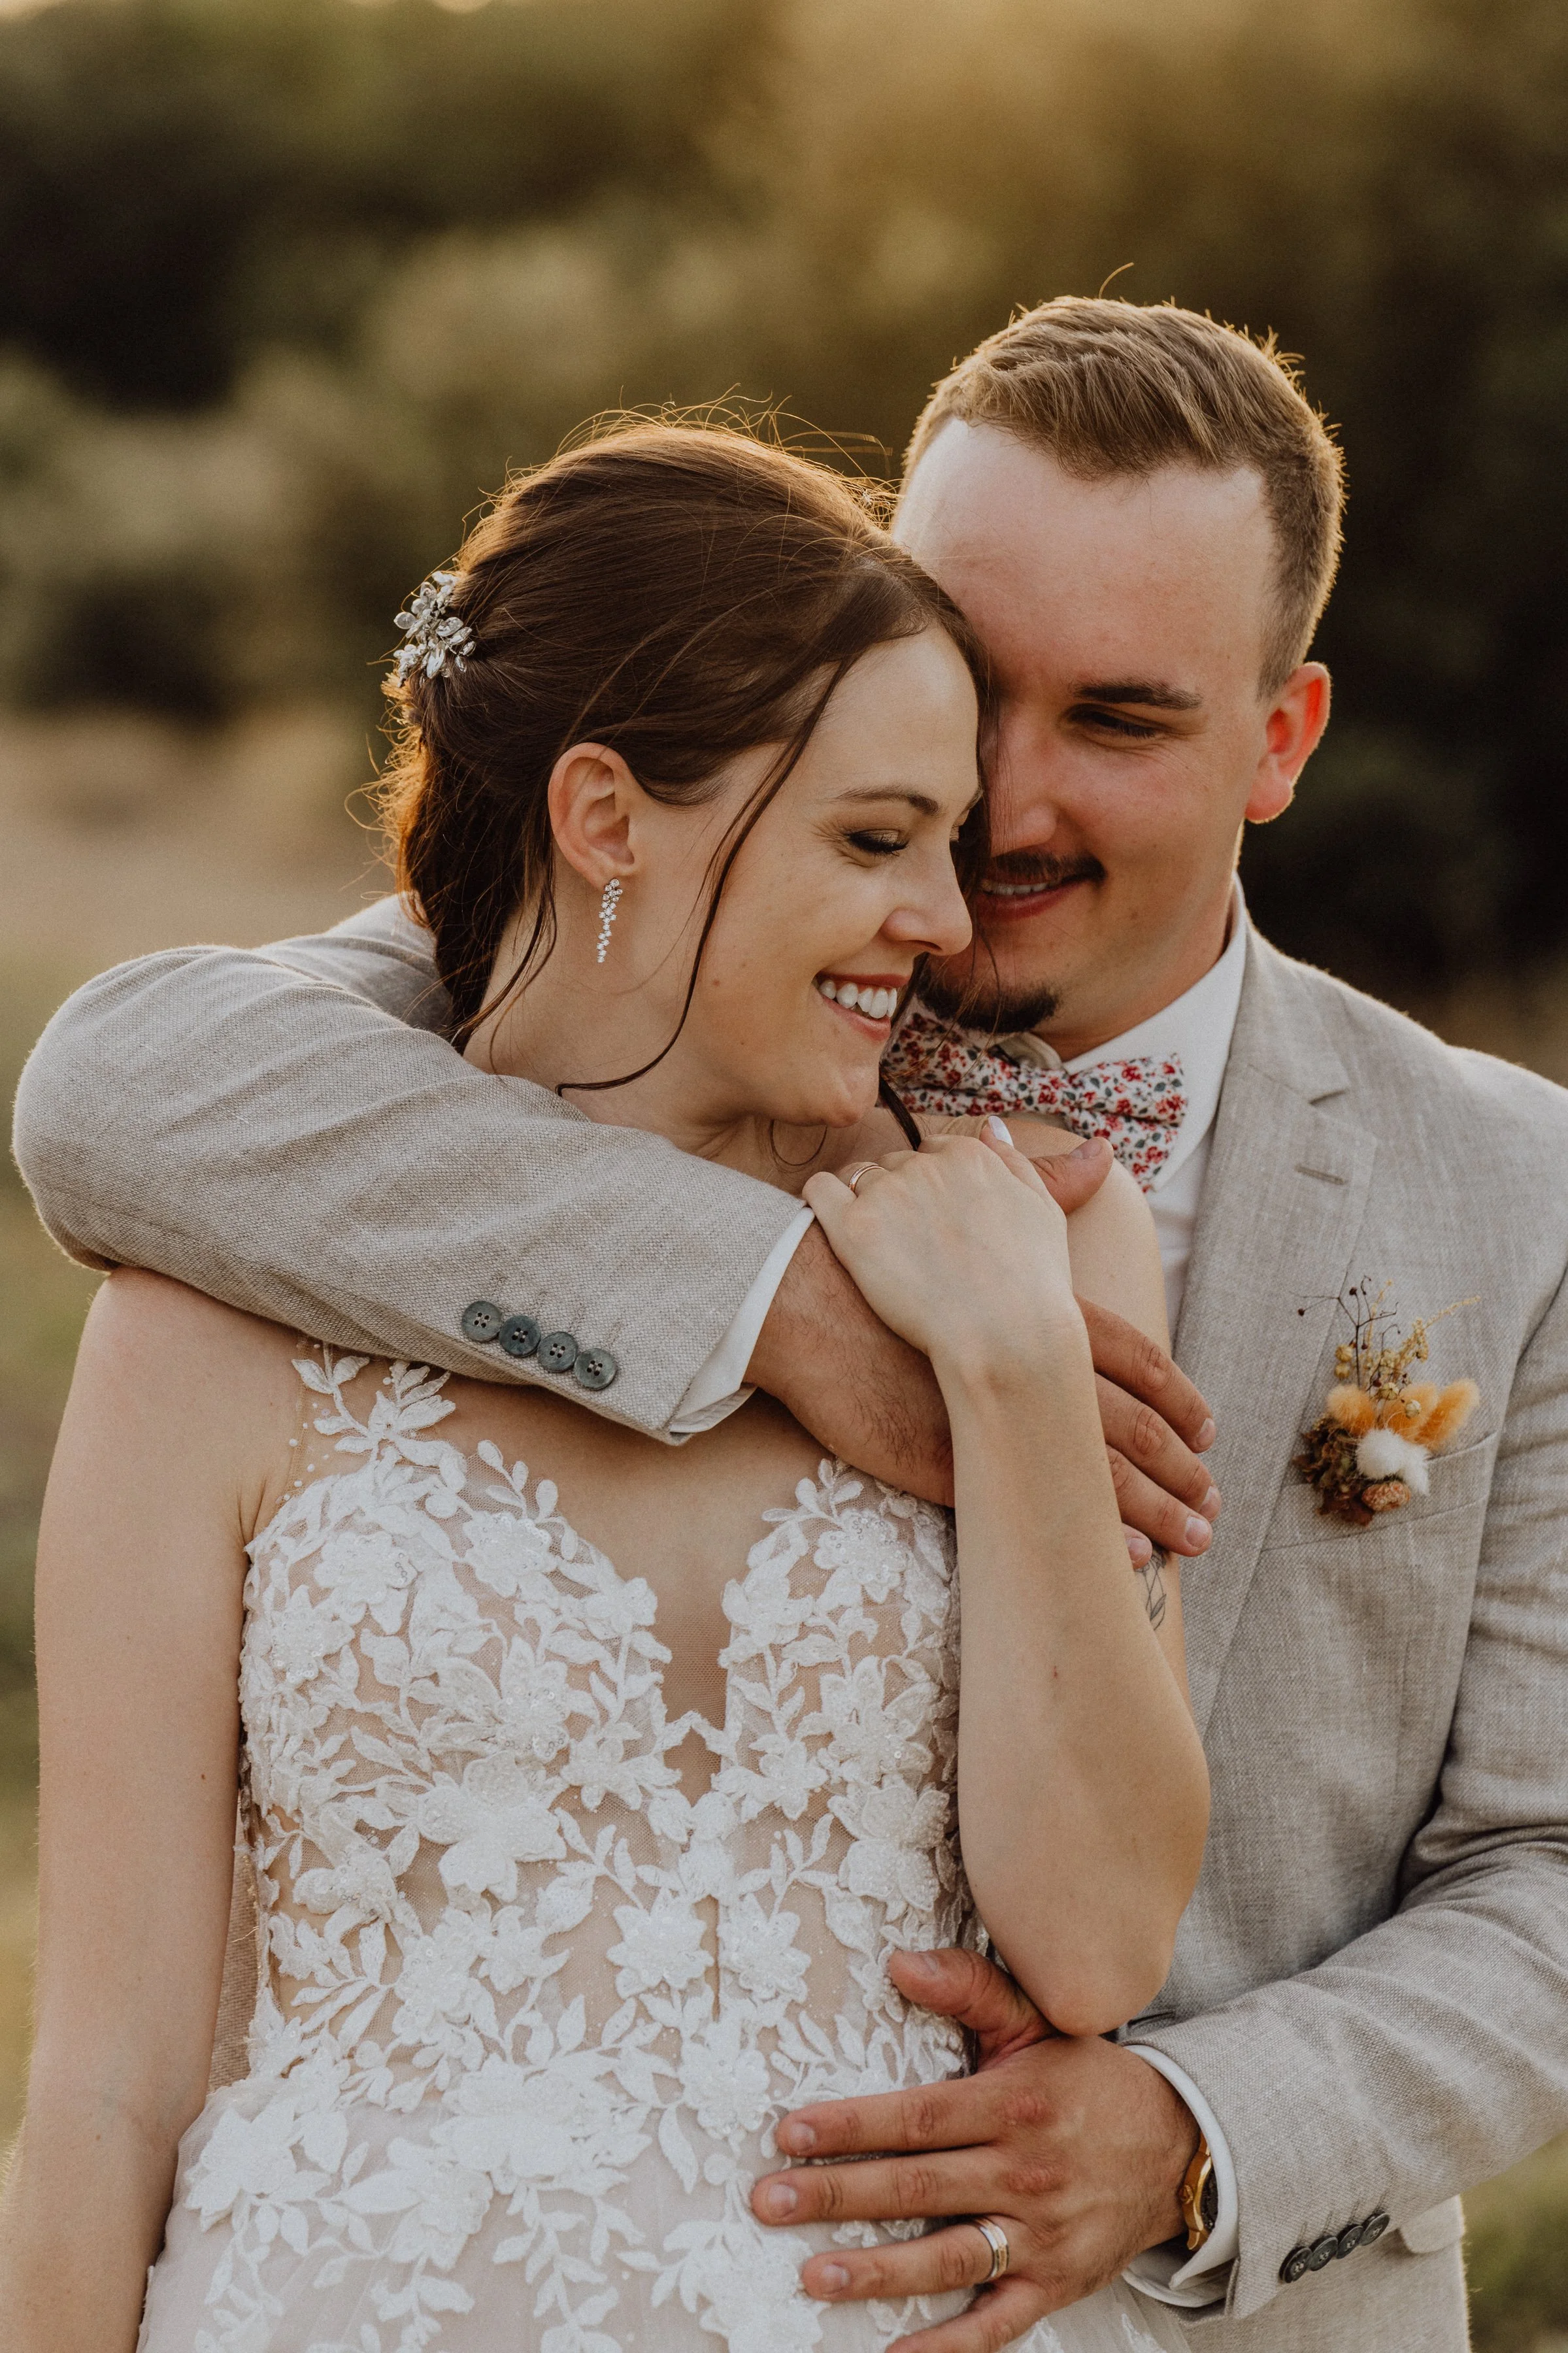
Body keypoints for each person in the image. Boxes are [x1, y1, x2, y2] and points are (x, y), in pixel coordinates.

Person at [14, 297, 1568, 2352]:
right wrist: (763, 1299)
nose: (990, 816)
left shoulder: (1509, 1195)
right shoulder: (574, 975)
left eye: (1114, 720)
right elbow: (114, 1091)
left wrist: (1194, 2125)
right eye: (947, 700)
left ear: (1279, 739)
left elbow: (1550, 1867)